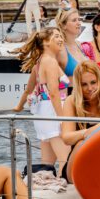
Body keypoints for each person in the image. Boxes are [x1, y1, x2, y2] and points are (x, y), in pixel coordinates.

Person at [60, 61, 100, 182]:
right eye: (84, 84)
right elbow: (66, 137)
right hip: (79, 162)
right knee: (80, 144)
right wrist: (90, 132)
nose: (90, 88)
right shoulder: (71, 101)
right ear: (78, 85)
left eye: (93, 82)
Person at [17, 28, 70, 170]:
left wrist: (19, 106)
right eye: (57, 36)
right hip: (53, 112)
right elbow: (53, 92)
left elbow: (29, 89)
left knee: (47, 165)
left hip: (43, 112)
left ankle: (46, 185)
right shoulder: (50, 62)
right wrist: (63, 119)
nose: (61, 39)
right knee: (66, 161)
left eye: (61, 36)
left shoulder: (40, 62)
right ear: (46, 42)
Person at [56, 9, 88, 91]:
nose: (79, 23)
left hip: (86, 95)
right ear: (63, 25)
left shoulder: (78, 44)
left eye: (79, 19)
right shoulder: (60, 49)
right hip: (70, 96)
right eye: (74, 20)